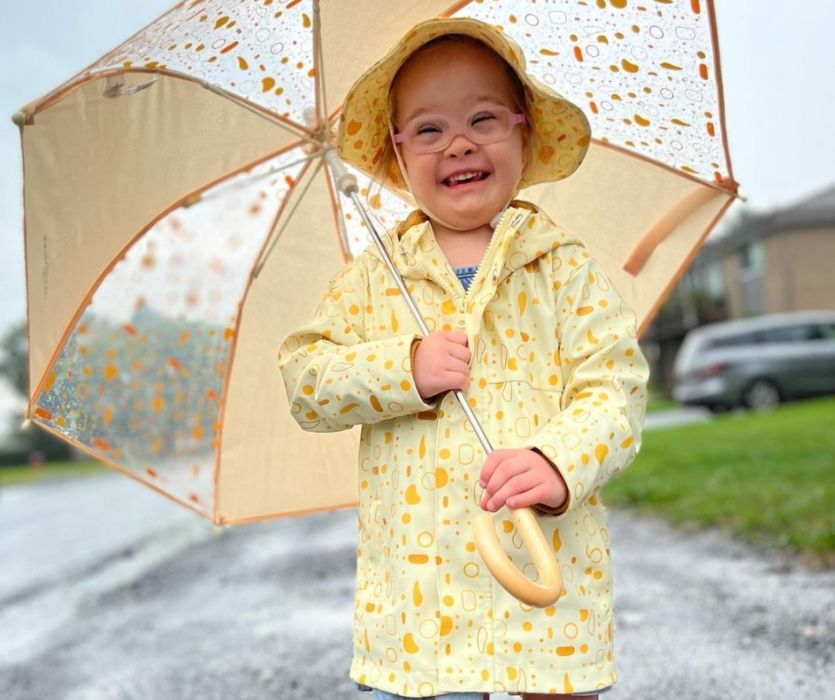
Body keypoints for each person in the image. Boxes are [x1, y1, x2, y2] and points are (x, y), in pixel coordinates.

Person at [278, 17, 648, 700]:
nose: (457, 143)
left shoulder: (561, 268)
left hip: (544, 578)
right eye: (426, 130)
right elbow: (306, 381)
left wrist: (556, 461)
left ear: (521, 131)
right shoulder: (373, 279)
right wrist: (404, 369)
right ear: (395, 154)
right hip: (423, 607)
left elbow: (615, 389)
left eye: (482, 118)